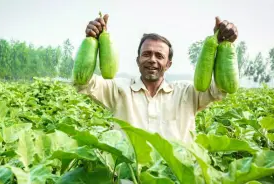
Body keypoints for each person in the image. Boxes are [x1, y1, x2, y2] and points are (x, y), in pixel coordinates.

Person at [74, 14, 238, 143]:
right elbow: (83, 81)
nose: (152, 59)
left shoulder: (187, 93)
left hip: (176, 183)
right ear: (138, 60)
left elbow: (221, 88)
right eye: (146, 54)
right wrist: (92, 40)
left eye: (159, 56)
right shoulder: (119, 90)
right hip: (130, 182)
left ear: (168, 64)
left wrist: (222, 44)